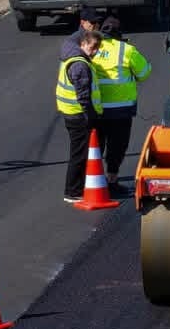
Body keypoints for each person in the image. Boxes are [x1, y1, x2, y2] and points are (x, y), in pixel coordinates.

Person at [89, 15, 151, 181]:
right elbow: (144, 73)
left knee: (97, 144)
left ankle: (94, 179)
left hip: (97, 107)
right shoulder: (126, 50)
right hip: (121, 110)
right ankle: (112, 178)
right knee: (117, 146)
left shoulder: (92, 47)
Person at [56, 23, 101, 202]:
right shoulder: (80, 65)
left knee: (79, 153)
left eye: (97, 49)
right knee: (79, 154)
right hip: (78, 116)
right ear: (83, 44)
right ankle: (73, 192)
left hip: (71, 113)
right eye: (92, 48)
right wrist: (90, 116)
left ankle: (77, 187)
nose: (95, 52)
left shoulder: (71, 58)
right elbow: (83, 96)